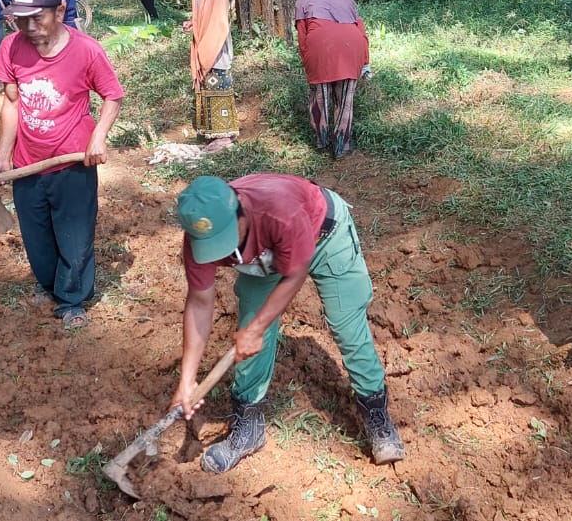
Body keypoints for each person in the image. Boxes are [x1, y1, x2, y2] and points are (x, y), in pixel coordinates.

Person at [170, 173, 407, 473]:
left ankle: (376, 414)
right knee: (250, 327)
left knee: (346, 324)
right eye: (213, 246)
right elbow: (200, 302)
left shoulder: (278, 209)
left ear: (240, 208)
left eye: (226, 238)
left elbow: (296, 272)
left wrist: (256, 330)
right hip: (264, 259)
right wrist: (187, 378)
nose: (222, 253)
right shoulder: (199, 237)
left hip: (323, 235)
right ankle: (249, 425)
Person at [0, 0, 124, 330]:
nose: (30, 28)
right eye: (21, 20)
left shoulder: (87, 50)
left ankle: (72, 299)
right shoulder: (10, 47)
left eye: (38, 18)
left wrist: (98, 137)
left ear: (60, 10)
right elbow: (12, 103)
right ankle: (51, 286)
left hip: (72, 163)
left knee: (75, 239)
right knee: (37, 239)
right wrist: (3, 156)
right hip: (28, 163)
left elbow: (112, 95)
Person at [294, 0, 369, 158]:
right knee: (345, 100)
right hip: (352, 47)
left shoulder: (304, 0)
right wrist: (365, 62)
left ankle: (322, 140)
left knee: (320, 94)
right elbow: (361, 30)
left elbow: (303, 38)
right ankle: (342, 145)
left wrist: (308, 63)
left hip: (320, 49)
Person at [181, 0, 236, 139]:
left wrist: (209, 46)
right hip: (205, 42)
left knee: (218, 87)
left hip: (216, 45)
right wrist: (193, 23)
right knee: (208, 89)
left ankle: (223, 136)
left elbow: (217, 20)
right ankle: (210, 132)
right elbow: (203, 16)